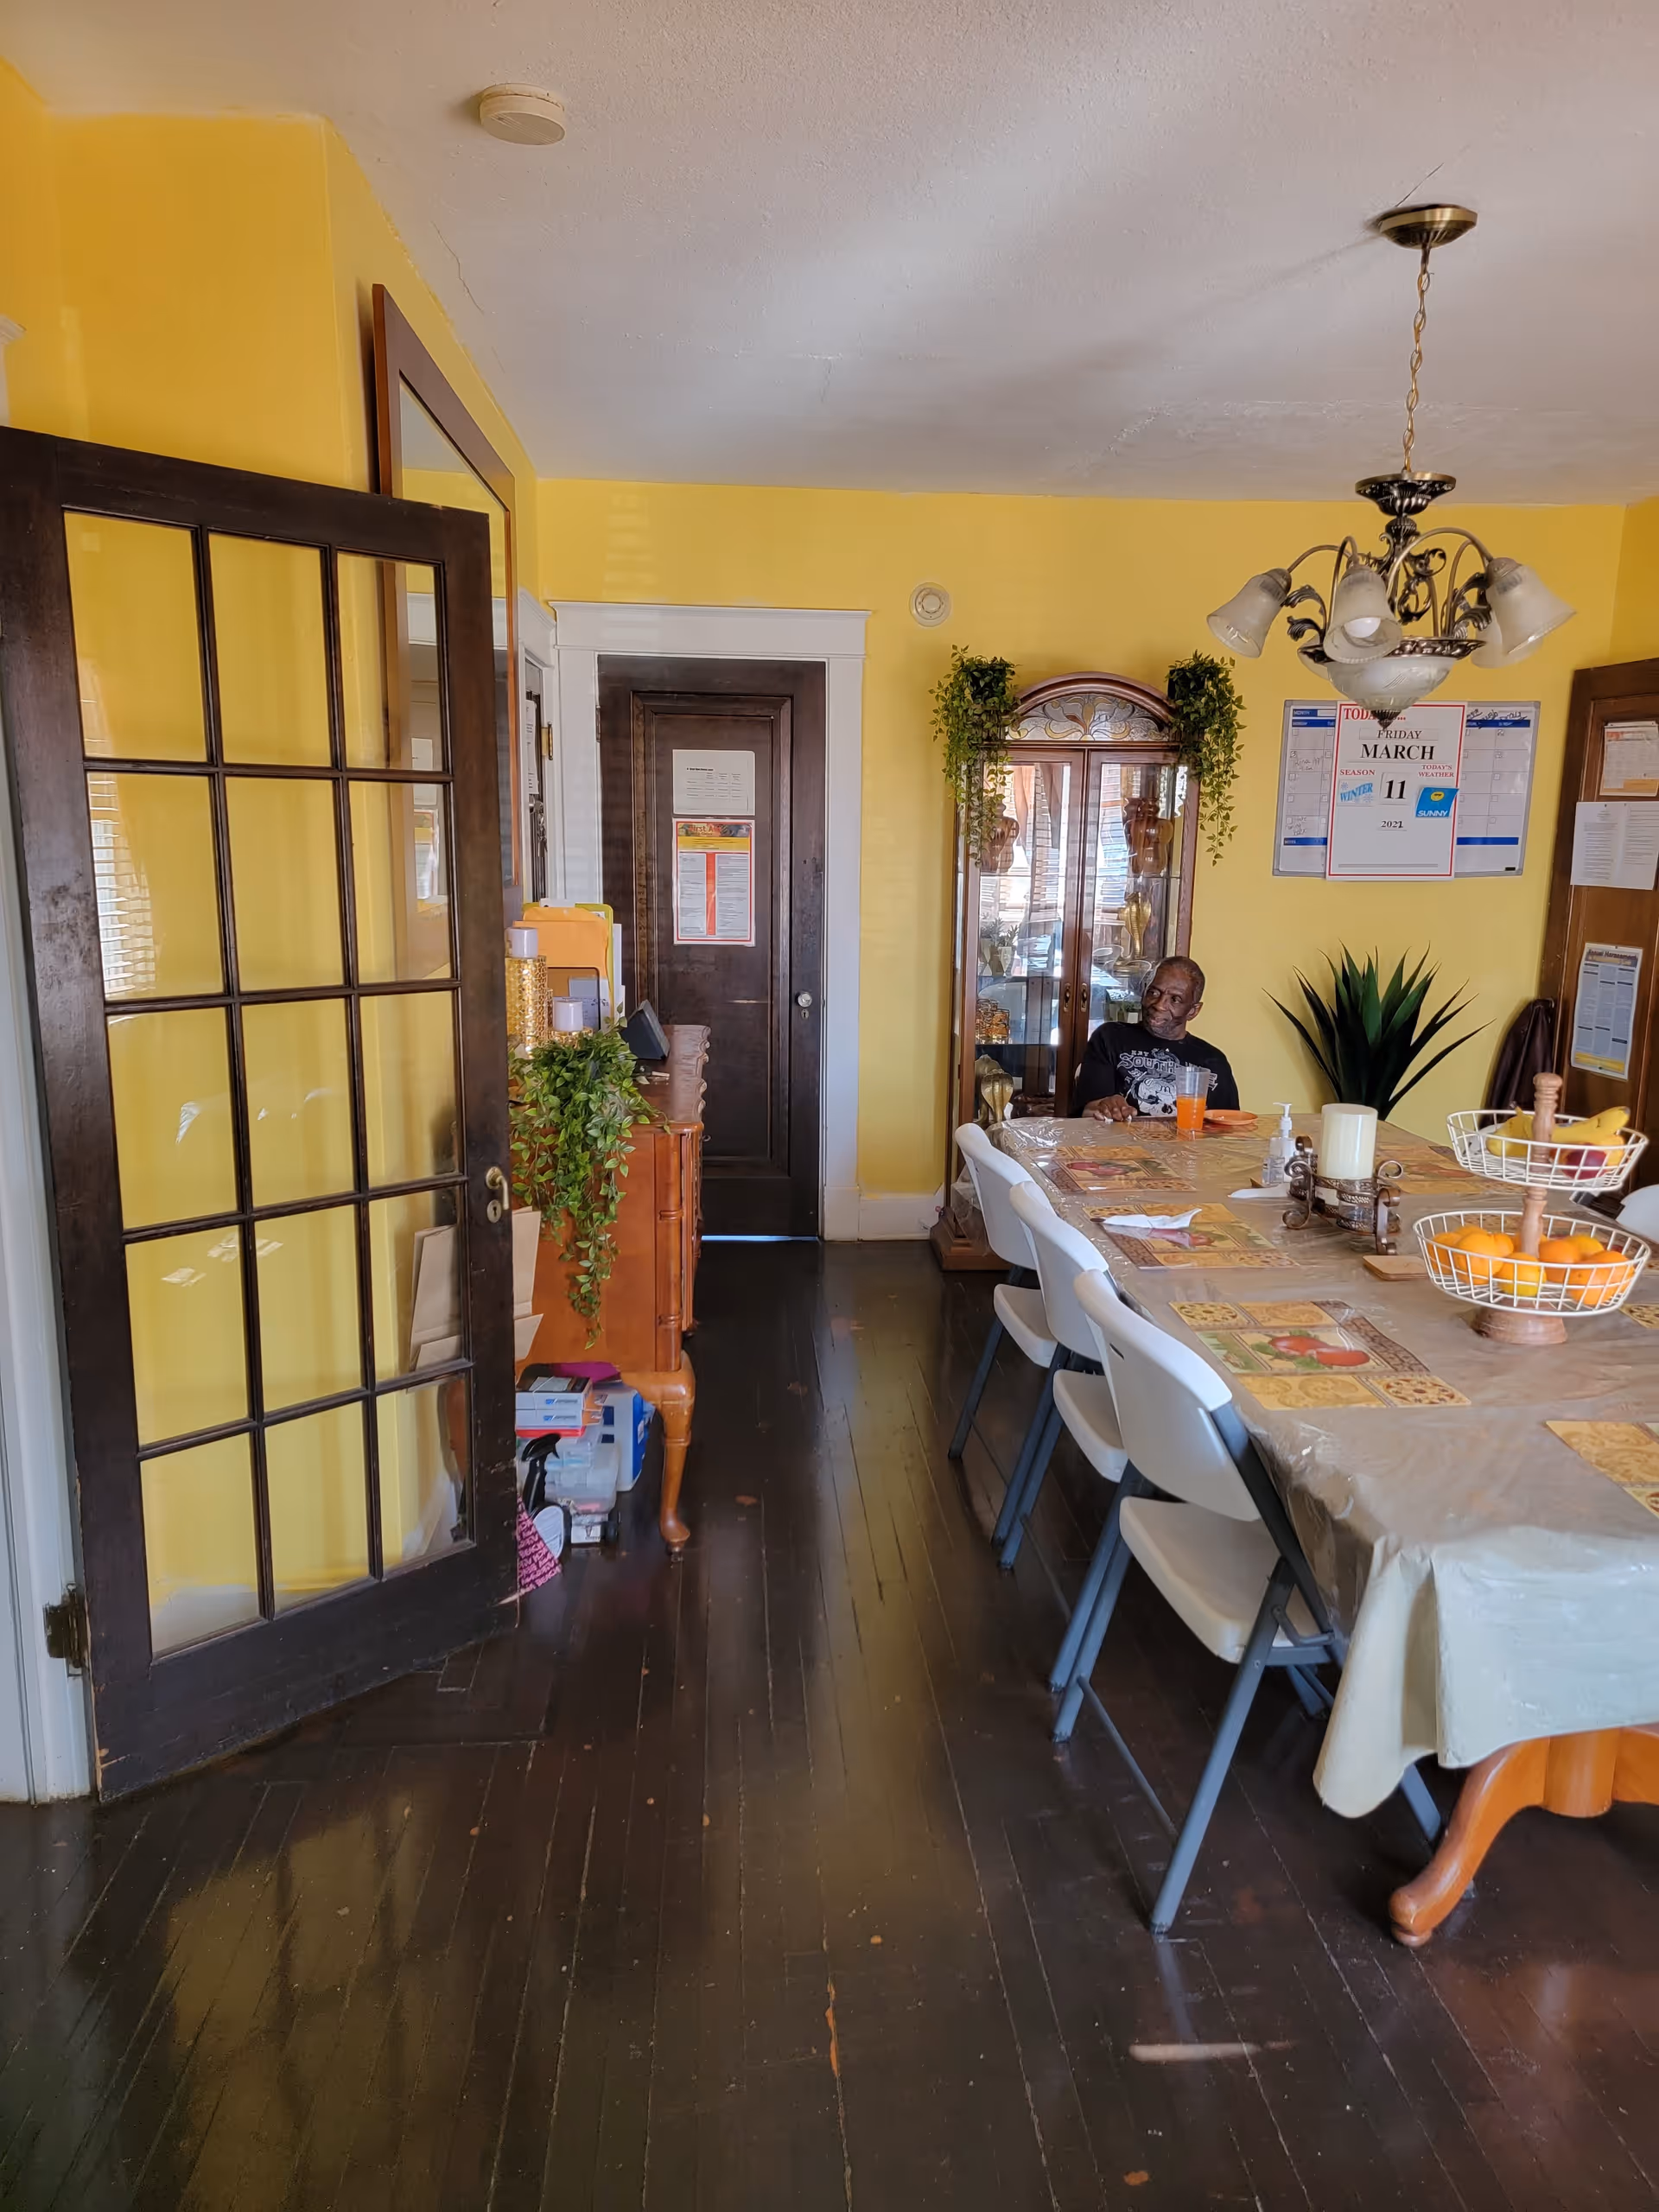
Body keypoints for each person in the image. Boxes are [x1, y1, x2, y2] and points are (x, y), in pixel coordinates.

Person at [1073, 956, 1239, 1121]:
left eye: (1175, 999)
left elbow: (1228, 1128)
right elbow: (1086, 1112)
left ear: (1193, 1011)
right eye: (1153, 992)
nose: (1159, 1004)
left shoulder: (1213, 1061)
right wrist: (1104, 1106)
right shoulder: (1110, 1038)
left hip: (1186, 1145)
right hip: (1121, 1145)